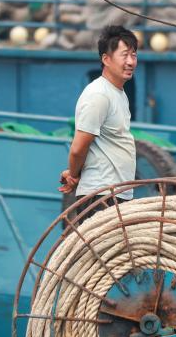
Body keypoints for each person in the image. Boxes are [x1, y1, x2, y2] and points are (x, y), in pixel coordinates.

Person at [59, 25, 139, 220]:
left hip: (115, 193)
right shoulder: (99, 95)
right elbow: (79, 147)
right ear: (106, 59)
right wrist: (74, 175)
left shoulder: (118, 93)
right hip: (101, 195)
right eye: (124, 55)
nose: (130, 62)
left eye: (134, 55)